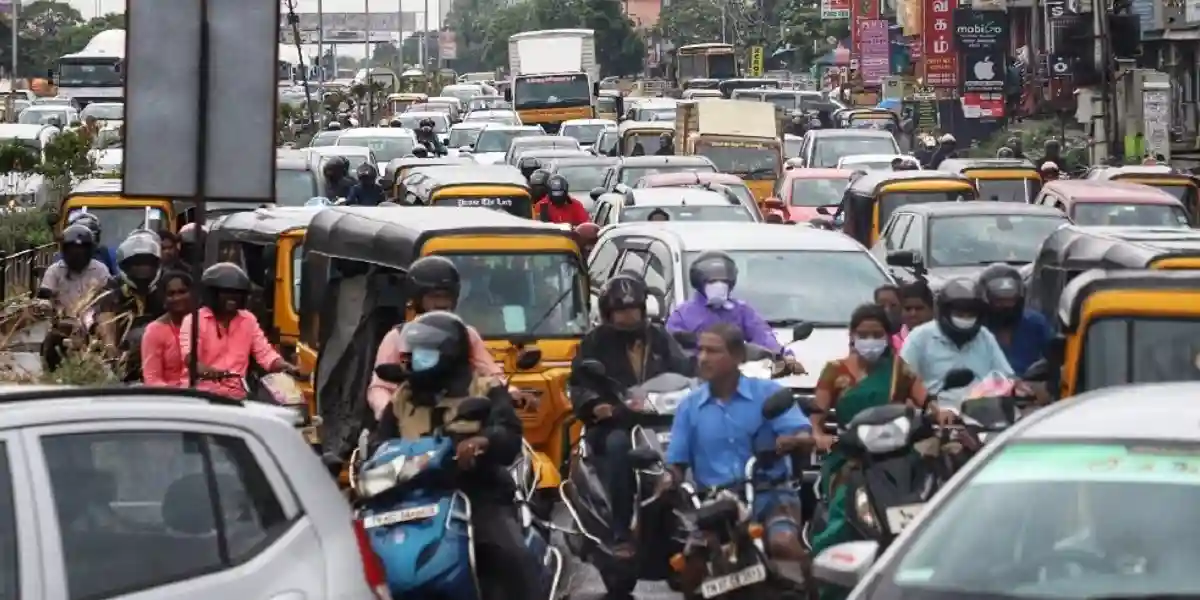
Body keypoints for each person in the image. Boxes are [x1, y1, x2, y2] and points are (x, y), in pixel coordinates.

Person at [374, 311, 541, 600]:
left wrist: (483, 442)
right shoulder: (401, 398)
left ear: (447, 353)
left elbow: (509, 435)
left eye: (421, 354)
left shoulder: (484, 388)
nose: (412, 361)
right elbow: (382, 444)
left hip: (475, 492)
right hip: (412, 498)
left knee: (511, 556)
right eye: (409, 354)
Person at [663, 323, 813, 582]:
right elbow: (676, 462)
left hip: (770, 495)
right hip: (716, 506)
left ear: (737, 357)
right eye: (701, 351)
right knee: (690, 570)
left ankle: (814, 591)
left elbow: (803, 434)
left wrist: (790, 441)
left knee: (784, 544)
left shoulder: (768, 393)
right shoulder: (689, 407)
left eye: (713, 351)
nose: (703, 358)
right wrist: (668, 479)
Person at [809, 304, 948, 562]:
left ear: (887, 337)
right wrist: (818, 434)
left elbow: (926, 400)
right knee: (844, 501)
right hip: (852, 455)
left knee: (931, 489)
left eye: (876, 334)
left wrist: (939, 413)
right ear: (852, 336)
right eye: (864, 334)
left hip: (898, 452)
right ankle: (831, 562)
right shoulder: (834, 371)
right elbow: (817, 413)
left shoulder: (899, 369)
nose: (870, 341)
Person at [569, 275, 693, 556]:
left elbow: (684, 369)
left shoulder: (660, 337)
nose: (628, 316)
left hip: (661, 419)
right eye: (621, 311)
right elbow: (578, 383)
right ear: (608, 313)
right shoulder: (595, 342)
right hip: (617, 423)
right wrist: (596, 405)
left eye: (633, 309)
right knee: (618, 447)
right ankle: (620, 530)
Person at [367, 255, 505, 420]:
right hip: (411, 419)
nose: (441, 303)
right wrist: (387, 411)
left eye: (446, 296)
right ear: (418, 298)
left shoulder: (466, 334)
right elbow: (380, 387)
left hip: (460, 418)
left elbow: (491, 374)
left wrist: (508, 393)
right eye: (434, 297)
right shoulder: (397, 337)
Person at [179, 262, 300, 397]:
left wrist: (287, 367)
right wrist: (209, 372)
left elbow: (265, 354)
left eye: (237, 293)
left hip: (237, 395)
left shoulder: (248, 320)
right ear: (212, 293)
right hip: (200, 394)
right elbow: (190, 358)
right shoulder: (194, 320)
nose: (232, 297)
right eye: (226, 292)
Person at [900, 278, 1013, 397]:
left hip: (982, 409)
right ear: (944, 313)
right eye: (959, 314)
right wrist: (929, 404)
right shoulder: (920, 337)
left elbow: (1005, 376)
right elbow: (905, 382)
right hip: (935, 410)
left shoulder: (984, 336)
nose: (965, 318)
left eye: (971, 314)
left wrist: (1017, 387)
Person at [665, 251, 789, 357]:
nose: (719, 285)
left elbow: (763, 335)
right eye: (712, 281)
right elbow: (671, 344)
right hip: (696, 376)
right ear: (699, 282)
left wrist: (782, 355)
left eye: (723, 281)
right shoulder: (683, 314)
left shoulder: (742, 311)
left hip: (737, 375)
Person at [93, 231, 168, 381]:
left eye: (147, 263)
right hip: (122, 352)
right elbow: (104, 313)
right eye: (137, 264)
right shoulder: (113, 285)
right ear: (124, 265)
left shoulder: (168, 283)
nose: (142, 269)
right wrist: (109, 345)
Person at [37, 225, 111, 372]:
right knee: (50, 344)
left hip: (94, 325)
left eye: (82, 249)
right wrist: (45, 306)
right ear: (64, 250)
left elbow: (108, 297)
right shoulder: (54, 271)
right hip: (64, 324)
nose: (78, 254)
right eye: (72, 250)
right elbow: (45, 296)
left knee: (108, 345)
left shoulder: (100, 270)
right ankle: (50, 375)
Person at [979, 264, 1051, 376]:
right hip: (983, 389)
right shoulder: (975, 329)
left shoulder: (1036, 323)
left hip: (1028, 388)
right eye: (999, 301)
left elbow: (1054, 357)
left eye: (1010, 300)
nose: (1006, 306)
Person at [140, 270, 193, 387]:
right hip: (168, 398)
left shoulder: (205, 324)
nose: (177, 298)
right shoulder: (154, 331)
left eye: (182, 292)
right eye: (171, 294)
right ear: (164, 299)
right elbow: (152, 379)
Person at [898, 280, 935, 346]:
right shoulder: (892, 344)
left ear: (932, 310)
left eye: (919, 308)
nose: (913, 314)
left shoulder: (947, 341)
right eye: (908, 309)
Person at [873, 284, 903, 350]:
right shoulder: (865, 334)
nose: (887, 310)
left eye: (893, 305)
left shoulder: (909, 336)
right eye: (881, 305)